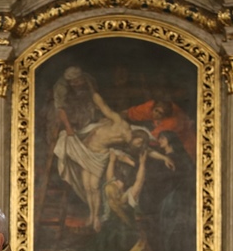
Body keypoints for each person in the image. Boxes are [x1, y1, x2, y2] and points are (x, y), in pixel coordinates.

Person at [54, 89, 174, 232]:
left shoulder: (128, 139)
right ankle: (91, 215)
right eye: (138, 141)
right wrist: (92, 92)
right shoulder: (119, 122)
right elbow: (104, 107)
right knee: (87, 187)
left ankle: (95, 217)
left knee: (94, 187)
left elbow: (146, 150)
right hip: (85, 151)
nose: (137, 144)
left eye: (139, 143)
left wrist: (164, 157)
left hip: (99, 156)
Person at [124, 99, 196, 162]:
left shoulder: (171, 123)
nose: (156, 114)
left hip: (186, 140)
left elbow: (152, 138)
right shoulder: (150, 106)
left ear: (165, 116)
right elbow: (129, 113)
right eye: (156, 111)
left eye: (160, 113)